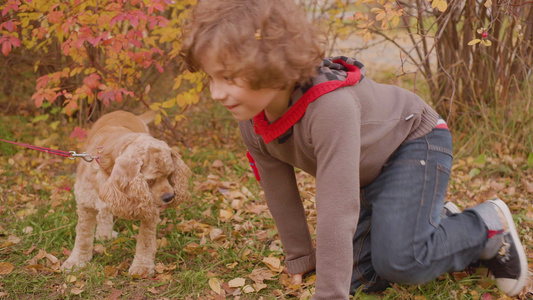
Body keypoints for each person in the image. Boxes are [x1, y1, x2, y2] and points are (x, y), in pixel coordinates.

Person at [179, 0, 529, 298]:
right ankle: (427, 224)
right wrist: (300, 256)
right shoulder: (252, 122)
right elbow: (279, 192)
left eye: (228, 78)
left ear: (270, 65)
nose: (215, 93)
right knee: (359, 279)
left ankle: (485, 226)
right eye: (211, 77)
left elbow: (338, 207)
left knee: (400, 261)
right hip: (366, 168)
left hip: (414, 142)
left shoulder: (330, 109)